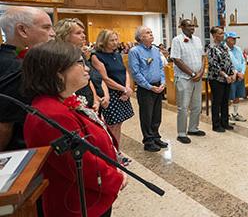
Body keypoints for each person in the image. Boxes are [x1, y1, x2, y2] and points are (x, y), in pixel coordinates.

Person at [22, 41, 127, 217]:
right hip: (79, 205)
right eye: (80, 63)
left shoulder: (60, 102)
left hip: (87, 201)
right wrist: (116, 178)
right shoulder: (52, 114)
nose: (87, 67)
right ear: (57, 72)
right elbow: (83, 165)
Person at [0, 6, 59, 217]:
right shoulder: (17, 69)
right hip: (22, 169)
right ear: (23, 31)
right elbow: (4, 126)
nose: (52, 33)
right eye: (46, 27)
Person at [91, 30, 134, 159]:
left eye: (116, 39)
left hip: (122, 91)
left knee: (119, 124)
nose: (115, 42)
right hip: (110, 94)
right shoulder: (96, 56)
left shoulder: (117, 54)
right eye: (112, 40)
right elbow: (105, 78)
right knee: (111, 125)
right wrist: (124, 89)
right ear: (103, 41)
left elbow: (124, 71)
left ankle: (117, 151)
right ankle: (110, 154)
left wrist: (127, 88)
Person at [128, 26, 168, 151]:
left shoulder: (156, 50)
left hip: (158, 86)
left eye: (151, 32)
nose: (151, 34)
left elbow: (160, 67)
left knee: (157, 115)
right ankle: (148, 141)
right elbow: (135, 73)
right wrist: (150, 87)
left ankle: (156, 136)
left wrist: (162, 82)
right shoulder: (135, 51)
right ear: (140, 37)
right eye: (148, 33)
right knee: (147, 115)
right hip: (146, 88)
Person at [170, 19, 206, 144]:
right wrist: (191, 73)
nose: (192, 28)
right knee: (183, 107)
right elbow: (176, 59)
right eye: (189, 25)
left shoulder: (197, 40)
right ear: (182, 27)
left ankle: (193, 128)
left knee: (197, 105)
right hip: (184, 78)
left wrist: (201, 72)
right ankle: (181, 133)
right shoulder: (177, 40)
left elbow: (202, 57)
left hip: (198, 77)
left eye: (193, 26)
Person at [54, 18, 102, 111]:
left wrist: (96, 99)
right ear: (65, 35)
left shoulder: (80, 54)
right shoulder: (59, 56)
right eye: (78, 33)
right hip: (72, 103)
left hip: (88, 98)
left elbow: (88, 79)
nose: (83, 36)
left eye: (83, 32)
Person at [207, 26, 236, 132]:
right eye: (220, 33)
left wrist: (232, 73)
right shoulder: (211, 48)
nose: (223, 35)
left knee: (225, 101)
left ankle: (225, 122)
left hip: (227, 78)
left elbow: (229, 60)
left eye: (223, 33)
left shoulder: (224, 47)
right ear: (214, 35)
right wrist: (225, 75)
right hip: (217, 78)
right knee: (217, 101)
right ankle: (216, 124)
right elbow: (214, 64)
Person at [226, 32, 248, 122]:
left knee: (237, 95)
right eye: (233, 38)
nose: (234, 40)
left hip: (240, 76)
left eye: (235, 39)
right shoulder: (224, 49)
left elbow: (243, 61)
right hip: (231, 76)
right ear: (227, 39)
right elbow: (228, 63)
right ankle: (226, 115)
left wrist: (242, 72)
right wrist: (235, 72)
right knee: (229, 97)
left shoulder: (238, 49)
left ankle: (235, 114)